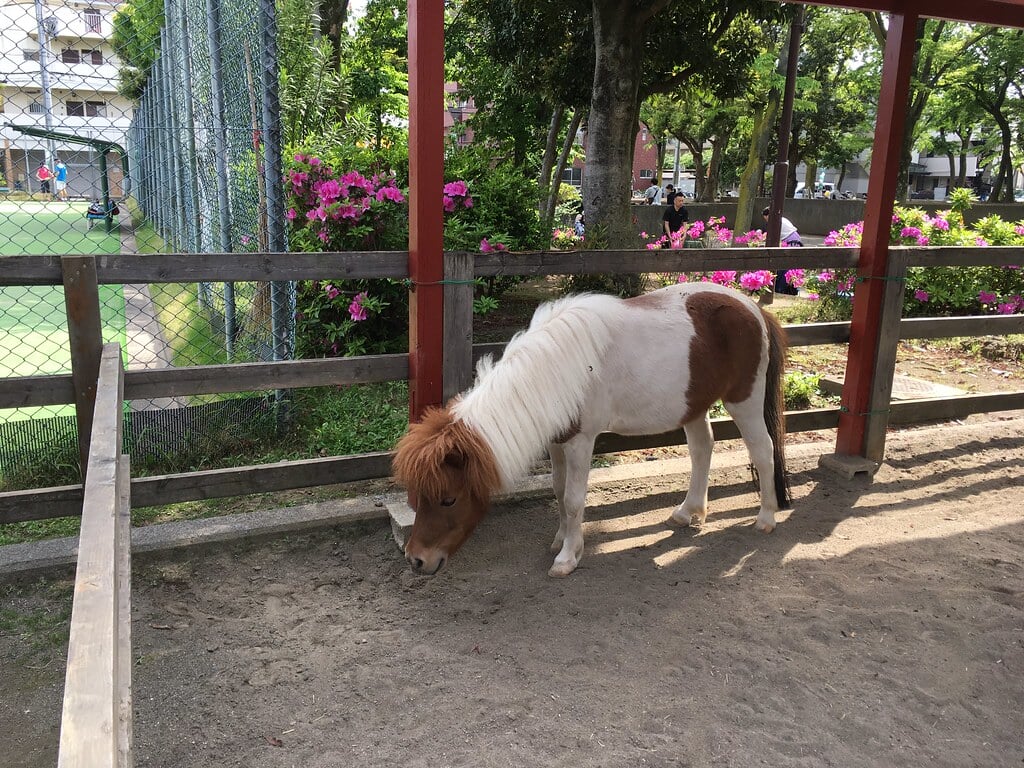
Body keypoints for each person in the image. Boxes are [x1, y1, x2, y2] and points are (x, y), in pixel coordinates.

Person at [762, 207, 801, 294]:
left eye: (767, 219)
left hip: (791, 241)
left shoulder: (775, 221)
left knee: (786, 264)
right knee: (788, 264)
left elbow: (770, 236)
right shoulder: (782, 219)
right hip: (794, 238)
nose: (767, 221)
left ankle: (783, 288)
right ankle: (785, 287)